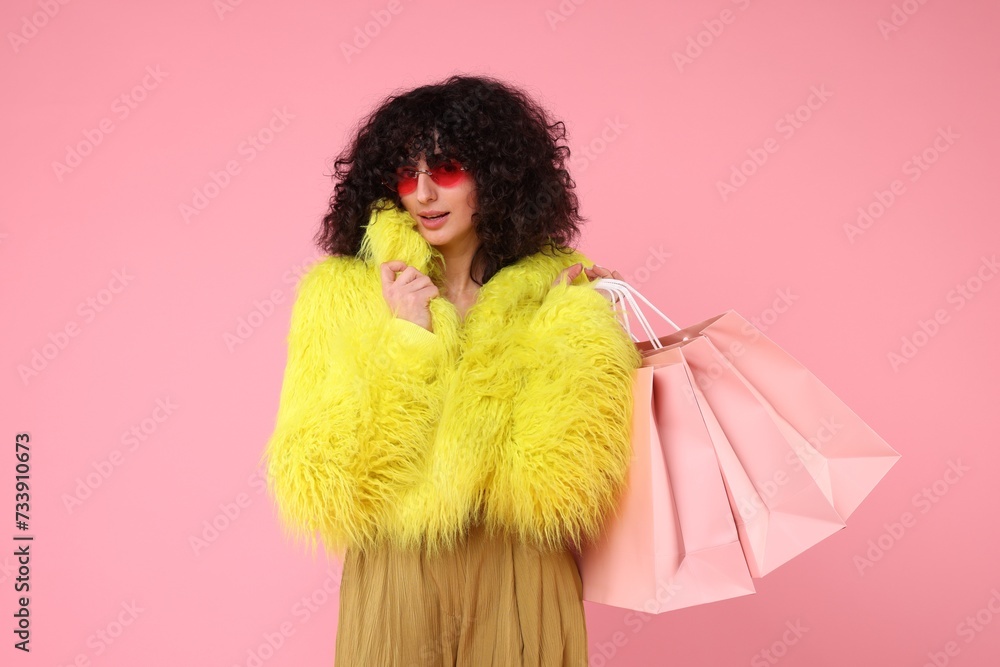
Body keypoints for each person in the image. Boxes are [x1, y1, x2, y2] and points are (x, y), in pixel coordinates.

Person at [259, 74, 642, 666]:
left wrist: (575, 328)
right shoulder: (341, 294)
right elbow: (320, 474)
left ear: (496, 174)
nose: (424, 194)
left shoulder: (553, 288)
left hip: (521, 569)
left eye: (447, 169)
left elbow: (564, 477)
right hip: (397, 574)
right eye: (406, 175)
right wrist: (409, 337)